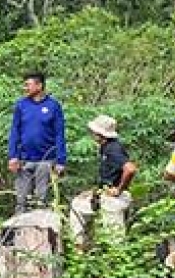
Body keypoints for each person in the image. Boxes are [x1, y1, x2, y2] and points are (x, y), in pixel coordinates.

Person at [70, 115, 137, 243]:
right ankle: (82, 246)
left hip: (113, 198)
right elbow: (109, 174)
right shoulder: (105, 148)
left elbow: (130, 169)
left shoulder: (113, 149)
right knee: (77, 206)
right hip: (104, 194)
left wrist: (119, 189)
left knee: (114, 237)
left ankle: (115, 258)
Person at [8, 72, 67, 214]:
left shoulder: (53, 106)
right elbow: (14, 131)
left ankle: (41, 231)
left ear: (39, 85)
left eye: (28, 85)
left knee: (41, 200)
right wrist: (13, 156)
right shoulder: (21, 105)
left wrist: (61, 160)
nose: (25, 88)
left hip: (46, 161)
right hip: (24, 160)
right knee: (21, 200)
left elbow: (60, 134)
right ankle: (18, 232)